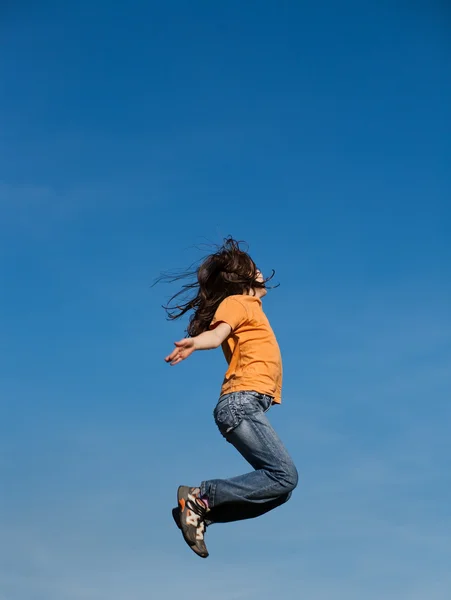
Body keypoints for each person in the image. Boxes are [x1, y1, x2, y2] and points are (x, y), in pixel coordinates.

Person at [161, 237, 298, 558]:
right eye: (256, 268)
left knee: (278, 490)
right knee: (284, 477)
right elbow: (218, 333)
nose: (263, 272)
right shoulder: (237, 302)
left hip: (248, 405)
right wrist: (196, 342)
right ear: (244, 278)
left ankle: (199, 510)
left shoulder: (252, 308)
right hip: (241, 403)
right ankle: (201, 497)